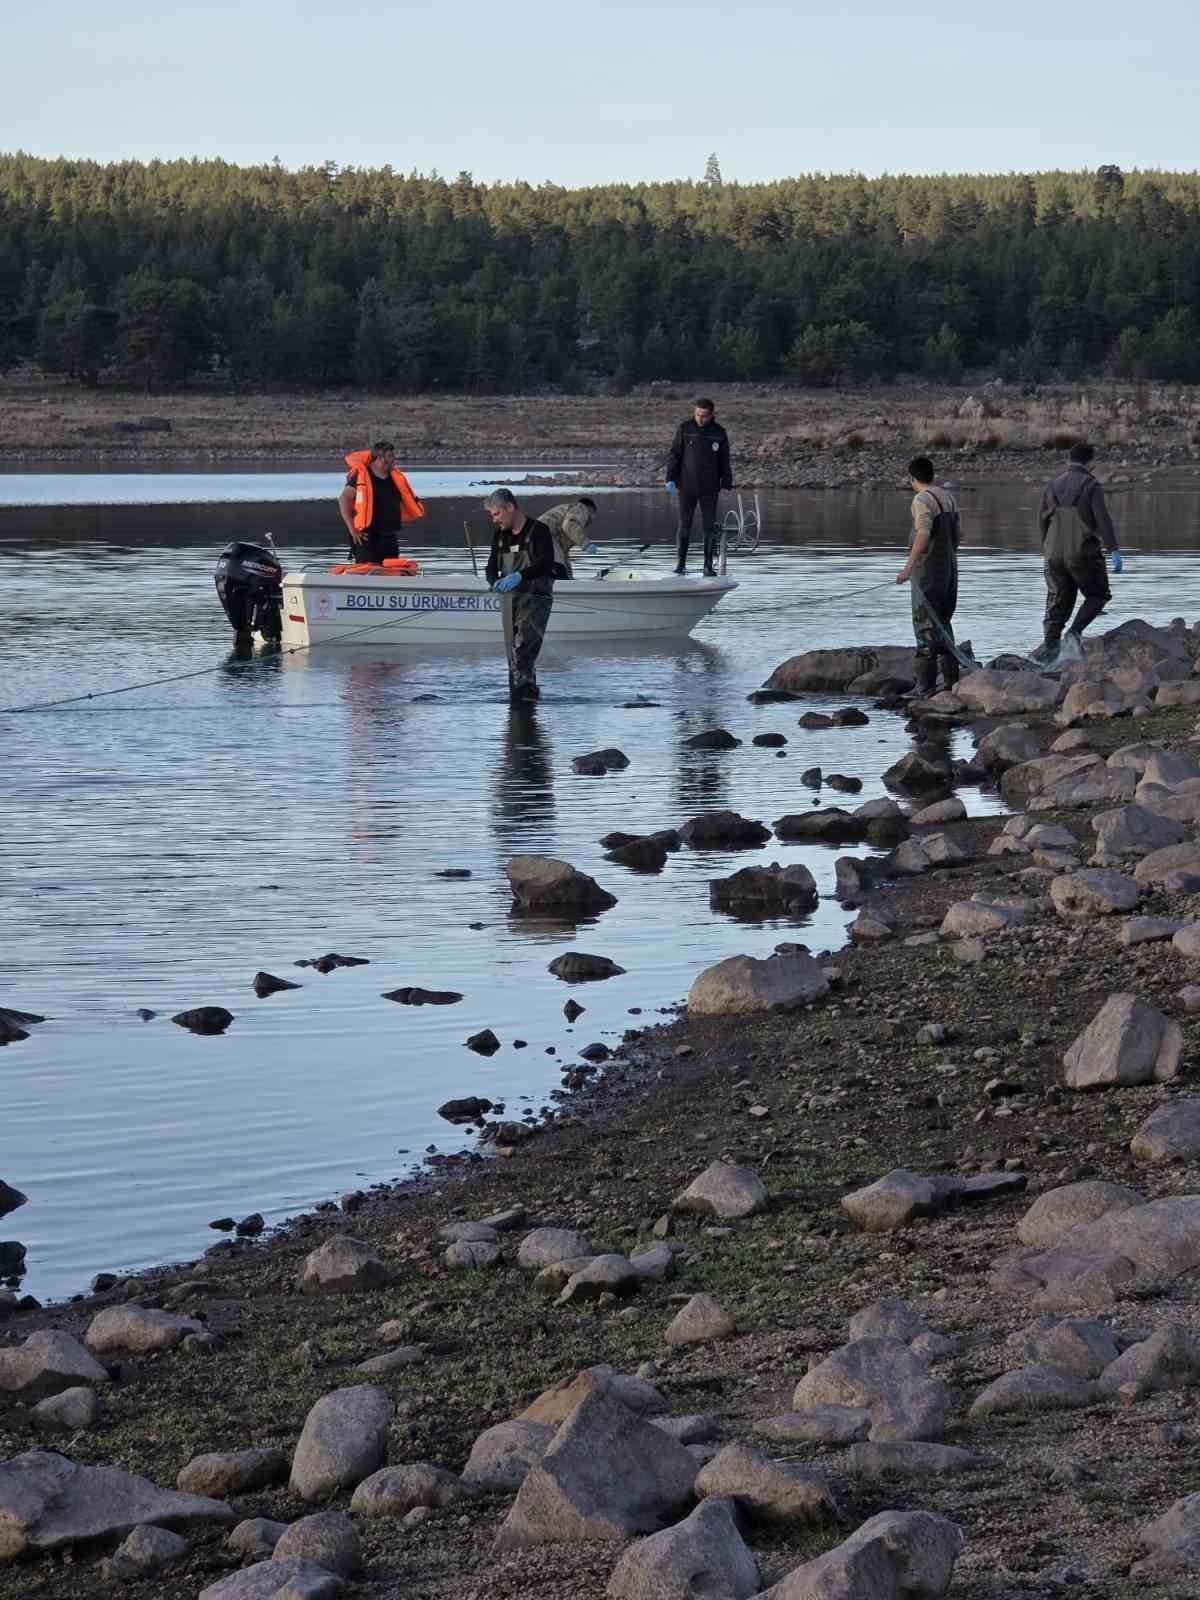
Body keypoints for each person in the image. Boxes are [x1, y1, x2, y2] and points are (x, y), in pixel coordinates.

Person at [1036, 441, 1121, 660]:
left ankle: (1049, 651)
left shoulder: (1052, 485)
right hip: (1082, 552)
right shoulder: (1091, 485)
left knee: (1058, 602)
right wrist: (1113, 550)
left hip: (1053, 553)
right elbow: (1103, 520)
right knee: (1098, 595)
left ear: (1069, 460)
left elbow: (1042, 520)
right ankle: (1073, 635)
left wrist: (1047, 549)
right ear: (1091, 462)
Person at [895, 456, 961, 697]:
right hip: (949, 570)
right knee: (943, 623)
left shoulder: (921, 499)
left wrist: (908, 568)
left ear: (912, 478)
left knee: (925, 626)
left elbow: (923, 533)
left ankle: (925, 688)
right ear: (932, 474)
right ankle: (952, 683)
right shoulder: (948, 497)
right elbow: (957, 536)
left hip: (927, 573)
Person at [483, 488, 557, 700]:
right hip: (509, 601)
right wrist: (494, 582)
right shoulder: (500, 535)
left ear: (510, 507)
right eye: (492, 516)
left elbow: (546, 563)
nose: (495, 520)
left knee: (523, 650)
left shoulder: (538, 530)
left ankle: (521, 701)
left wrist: (519, 576)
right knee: (512, 655)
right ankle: (524, 698)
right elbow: (490, 567)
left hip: (536, 599)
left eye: (497, 514)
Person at [665, 397, 733, 576]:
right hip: (686, 485)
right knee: (684, 524)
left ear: (711, 415)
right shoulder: (685, 428)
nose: (700, 419)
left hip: (710, 487)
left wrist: (727, 483)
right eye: (697, 415)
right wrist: (670, 477)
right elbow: (675, 454)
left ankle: (708, 566)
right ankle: (680, 565)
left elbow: (724, 460)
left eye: (703, 416)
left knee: (709, 526)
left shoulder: (719, 432)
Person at [338, 441, 425, 563]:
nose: (394, 459)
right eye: (390, 456)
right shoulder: (361, 476)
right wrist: (352, 530)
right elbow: (343, 499)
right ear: (380, 458)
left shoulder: (395, 478)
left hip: (390, 538)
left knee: (392, 572)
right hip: (367, 538)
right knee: (368, 572)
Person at [538, 497, 599, 577]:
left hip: (535, 538)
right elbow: (570, 524)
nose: (593, 519)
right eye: (594, 515)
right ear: (591, 510)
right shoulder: (581, 508)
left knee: (559, 570)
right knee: (559, 568)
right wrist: (585, 544)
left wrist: (570, 577)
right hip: (544, 536)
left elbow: (563, 553)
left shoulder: (566, 511)